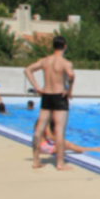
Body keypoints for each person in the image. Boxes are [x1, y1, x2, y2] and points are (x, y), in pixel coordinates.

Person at [24, 36, 75, 171]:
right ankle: (60, 163)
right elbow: (71, 75)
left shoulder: (44, 61)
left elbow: (27, 70)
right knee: (59, 130)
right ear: (65, 46)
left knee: (39, 129)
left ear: (53, 46)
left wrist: (37, 87)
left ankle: (36, 161)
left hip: (46, 94)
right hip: (59, 96)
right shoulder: (65, 63)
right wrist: (69, 90)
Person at [35, 121, 100, 155]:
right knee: (68, 145)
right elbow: (50, 136)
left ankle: (93, 149)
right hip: (45, 146)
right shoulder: (45, 122)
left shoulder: (39, 121)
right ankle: (95, 149)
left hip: (43, 145)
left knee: (71, 146)